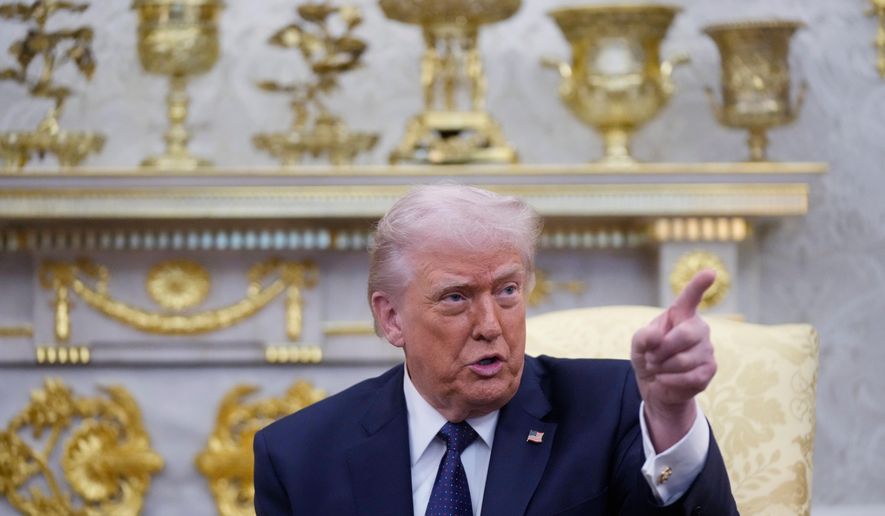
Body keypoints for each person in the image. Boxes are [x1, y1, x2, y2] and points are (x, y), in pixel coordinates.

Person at [253, 185, 738, 515]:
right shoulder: (299, 455)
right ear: (392, 318)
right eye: (455, 297)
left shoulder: (614, 407)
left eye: (507, 291)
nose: (490, 326)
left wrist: (671, 413)